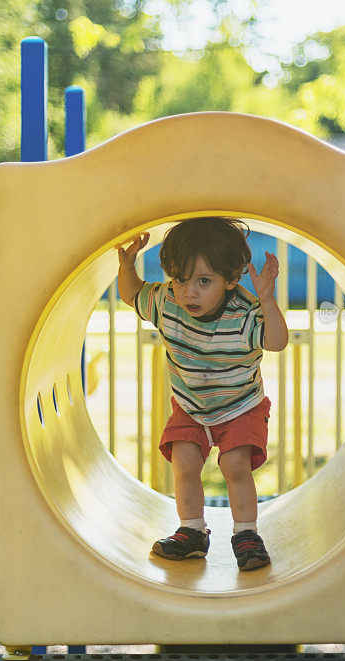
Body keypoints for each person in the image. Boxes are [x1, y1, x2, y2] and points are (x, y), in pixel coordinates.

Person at [116, 217, 288, 571]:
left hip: (241, 405)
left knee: (234, 463)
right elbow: (131, 294)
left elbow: (276, 342)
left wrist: (267, 301)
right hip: (191, 406)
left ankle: (246, 534)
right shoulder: (167, 302)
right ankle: (192, 531)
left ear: (230, 279)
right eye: (179, 279)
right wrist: (126, 265)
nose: (187, 292)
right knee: (185, 461)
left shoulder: (244, 314)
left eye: (203, 281)